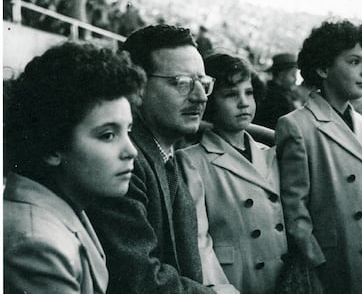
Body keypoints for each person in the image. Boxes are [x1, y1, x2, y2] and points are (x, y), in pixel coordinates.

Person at [87, 24, 238, 294]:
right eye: (183, 83)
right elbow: (139, 280)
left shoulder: (164, 150)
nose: (201, 97)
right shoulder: (125, 164)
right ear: (138, 87)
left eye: (204, 84)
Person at [275, 19, 362, 294]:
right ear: (323, 68)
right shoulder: (297, 125)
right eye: (355, 62)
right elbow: (295, 211)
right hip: (338, 268)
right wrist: (317, 265)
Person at [3, 41, 143, 293]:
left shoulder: (67, 205)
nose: (131, 151)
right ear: (52, 146)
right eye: (108, 135)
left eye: (128, 130)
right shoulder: (36, 245)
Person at [176, 53, 287, 294]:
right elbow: (199, 240)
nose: (243, 102)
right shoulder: (192, 160)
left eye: (248, 93)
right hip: (235, 280)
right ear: (210, 102)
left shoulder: (270, 154)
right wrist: (218, 288)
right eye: (230, 95)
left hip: (282, 280)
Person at [254, 52, 298, 129]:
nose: (295, 79)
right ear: (281, 76)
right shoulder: (280, 100)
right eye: (293, 75)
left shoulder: (266, 90)